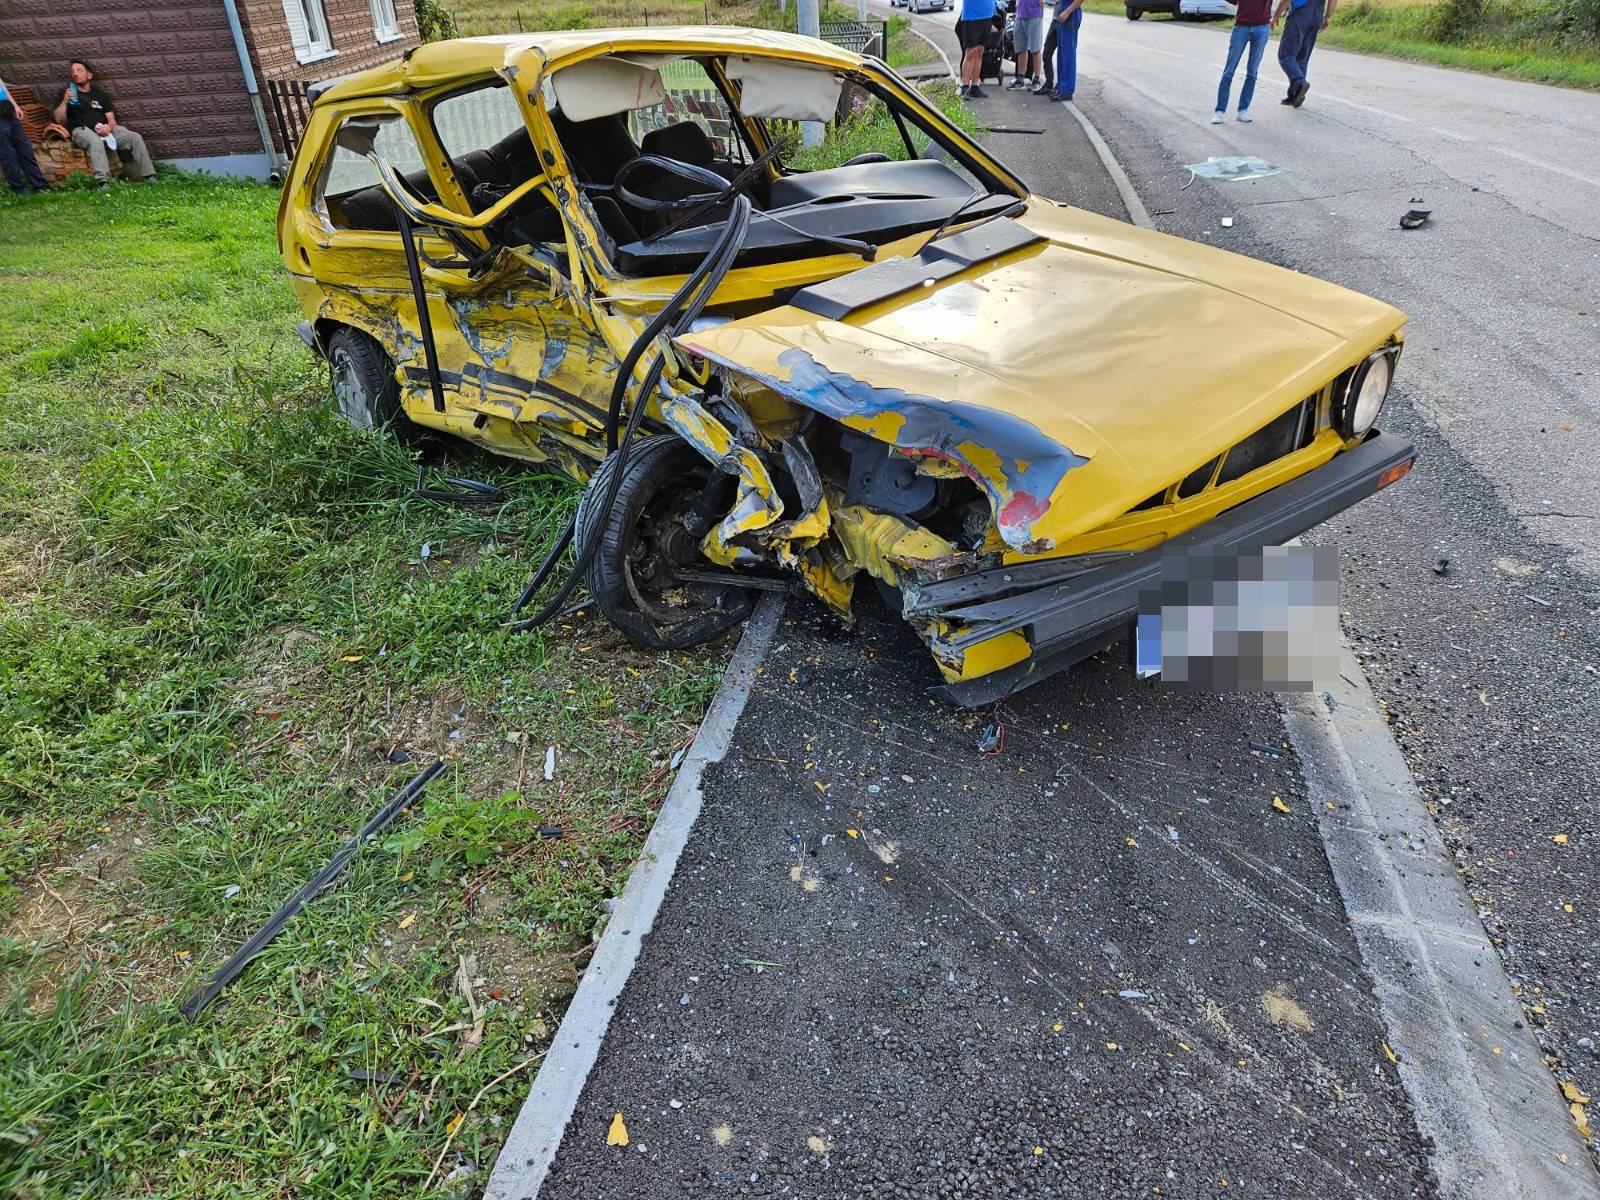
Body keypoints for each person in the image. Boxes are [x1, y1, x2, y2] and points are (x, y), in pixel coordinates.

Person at [52, 59, 156, 187]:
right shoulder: (66, 93)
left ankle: (150, 176)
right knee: (95, 141)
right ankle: (103, 182)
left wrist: (108, 128)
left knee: (135, 137)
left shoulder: (99, 94)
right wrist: (65, 101)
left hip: (105, 130)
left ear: (89, 75)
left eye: (79, 70)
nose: (75, 74)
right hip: (81, 130)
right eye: (73, 71)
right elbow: (59, 119)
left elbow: (112, 120)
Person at [1210, 0, 1273, 123]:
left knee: (1252, 72)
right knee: (1229, 71)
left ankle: (1242, 110)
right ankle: (1220, 111)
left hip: (1262, 27)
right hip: (1241, 27)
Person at [1273, 0, 1335, 107]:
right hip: (1317, 15)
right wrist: (1328, 16)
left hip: (1300, 14)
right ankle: (1295, 95)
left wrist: (1275, 16)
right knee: (1302, 58)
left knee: (1286, 56)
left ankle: (1299, 83)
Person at [0, 75, 49, 195]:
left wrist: (15, 106)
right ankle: (18, 188)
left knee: (25, 149)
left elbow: (3, 88)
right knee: (8, 154)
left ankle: (40, 185)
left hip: (8, 110)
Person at [957, 0, 998, 99]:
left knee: (980, 51)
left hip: (987, 15)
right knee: (971, 52)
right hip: (972, 16)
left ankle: (975, 86)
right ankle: (965, 86)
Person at [1048, 0, 1085, 102]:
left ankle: (1067, 91)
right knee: (1062, 53)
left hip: (1070, 12)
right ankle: (1061, 88)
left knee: (1068, 53)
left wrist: (1067, 12)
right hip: (1063, 8)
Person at [1009, 0, 1047, 91]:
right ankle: (1020, 79)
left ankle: (1036, 79)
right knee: (1021, 49)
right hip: (1020, 14)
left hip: (1034, 14)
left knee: (1035, 49)